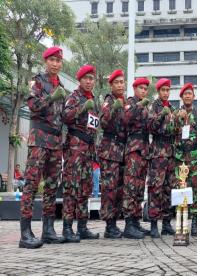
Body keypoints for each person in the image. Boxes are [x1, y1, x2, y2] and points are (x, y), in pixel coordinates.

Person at [19, 46, 66, 248]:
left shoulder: (62, 85)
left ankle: (48, 230)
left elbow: (62, 116)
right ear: (46, 61)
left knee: (51, 186)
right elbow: (32, 105)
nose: (55, 63)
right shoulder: (38, 81)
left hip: (55, 141)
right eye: (52, 60)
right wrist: (50, 97)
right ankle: (25, 233)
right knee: (31, 183)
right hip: (39, 137)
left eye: (58, 60)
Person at [62, 64, 100, 242]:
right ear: (80, 79)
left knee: (85, 188)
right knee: (71, 187)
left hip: (88, 149)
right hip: (75, 148)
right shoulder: (74, 97)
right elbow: (66, 116)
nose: (89, 81)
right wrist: (82, 109)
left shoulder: (93, 99)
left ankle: (82, 227)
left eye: (91, 78)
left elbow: (94, 126)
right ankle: (67, 228)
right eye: (86, 78)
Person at [173, 83, 197, 237]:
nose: (187, 96)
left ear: (193, 97)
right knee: (181, 190)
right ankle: (182, 224)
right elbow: (169, 132)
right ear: (181, 97)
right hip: (180, 159)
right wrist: (176, 119)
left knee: (196, 190)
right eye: (185, 94)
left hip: (194, 157)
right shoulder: (175, 113)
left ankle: (195, 224)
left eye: (190, 94)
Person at [98, 69, 127, 238]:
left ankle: (115, 222)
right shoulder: (108, 101)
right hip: (110, 150)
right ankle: (109, 225)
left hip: (122, 150)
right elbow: (103, 122)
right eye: (117, 82)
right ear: (111, 85)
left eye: (122, 82)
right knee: (109, 188)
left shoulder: (124, 101)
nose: (120, 85)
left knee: (119, 189)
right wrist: (113, 109)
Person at [147, 78, 177, 238]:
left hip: (170, 152)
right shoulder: (155, 106)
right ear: (158, 91)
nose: (165, 93)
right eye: (163, 90)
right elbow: (150, 126)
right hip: (158, 151)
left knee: (168, 189)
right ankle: (153, 224)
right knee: (155, 188)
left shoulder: (172, 108)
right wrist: (160, 116)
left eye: (167, 90)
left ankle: (166, 222)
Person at [122, 78, 151, 239]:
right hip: (133, 148)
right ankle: (128, 224)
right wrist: (139, 105)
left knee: (139, 188)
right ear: (134, 88)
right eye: (141, 88)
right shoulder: (131, 102)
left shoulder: (145, 106)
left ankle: (135, 221)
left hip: (144, 150)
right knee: (131, 187)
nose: (143, 91)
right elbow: (126, 118)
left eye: (145, 89)